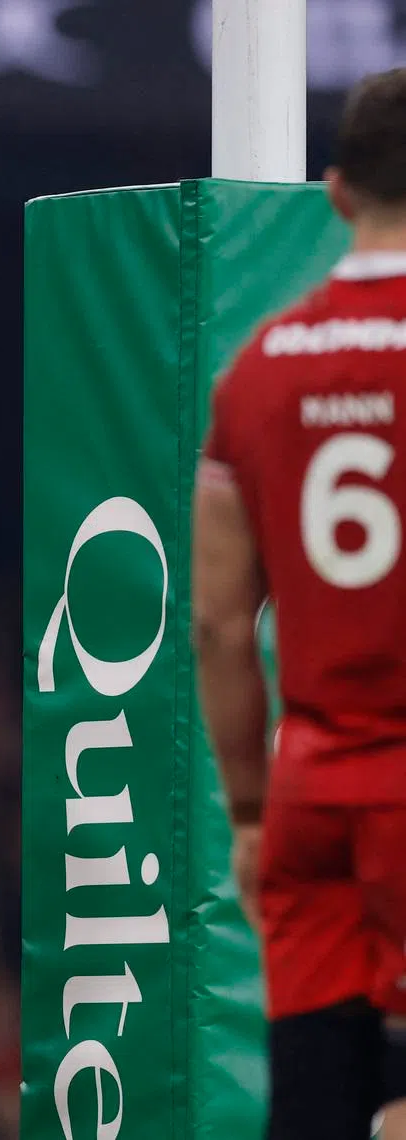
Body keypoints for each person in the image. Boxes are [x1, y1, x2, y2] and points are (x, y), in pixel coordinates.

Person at [193, 68, 406, 1140]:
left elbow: (221, 624)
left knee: (317, 1102)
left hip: (313, 785)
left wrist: (245, 811)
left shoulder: (258, 373)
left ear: (333, 192)